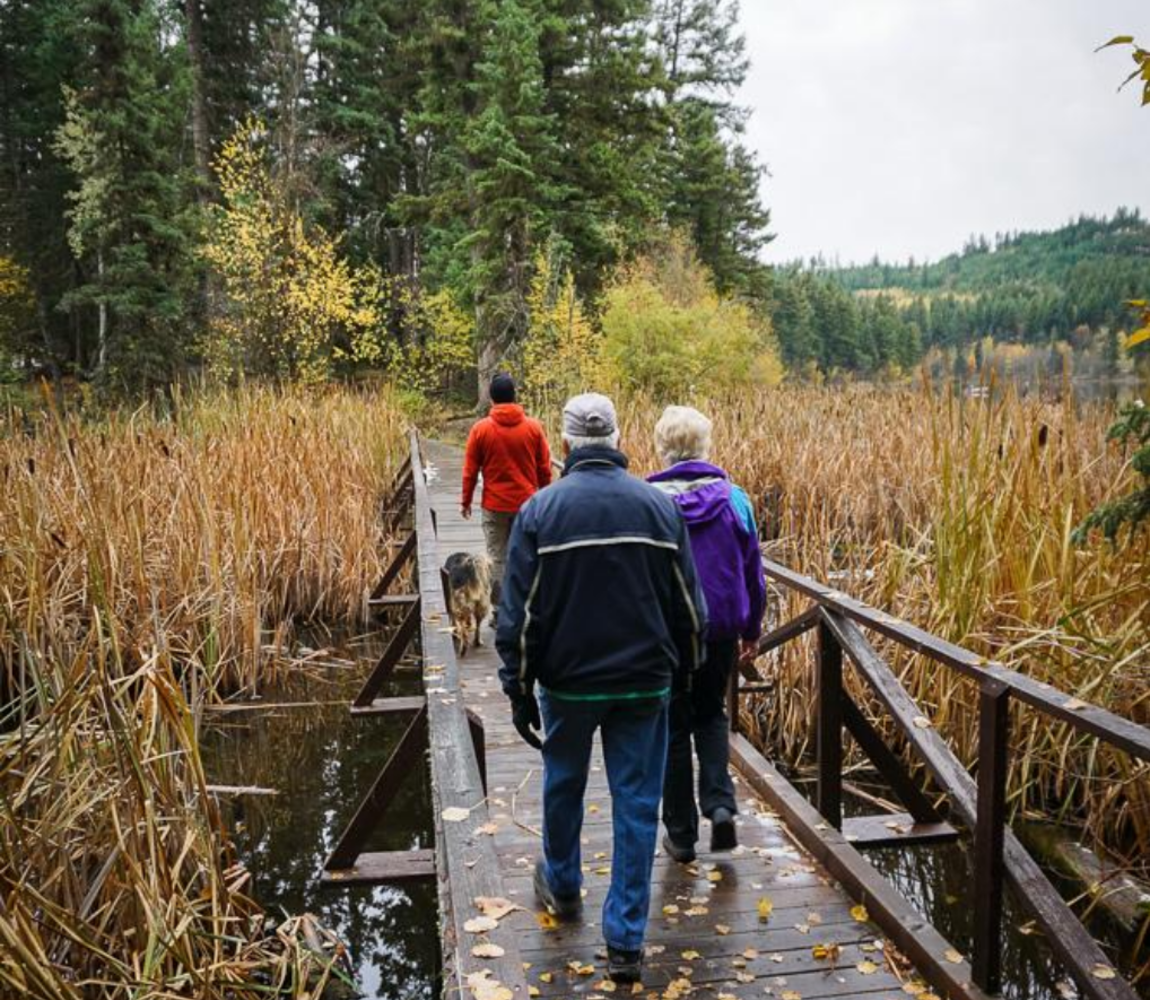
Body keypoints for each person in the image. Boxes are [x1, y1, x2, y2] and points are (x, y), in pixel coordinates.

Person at [495, 392, 707, 983]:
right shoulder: (658, 509)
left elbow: (515, 615)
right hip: (644, 685)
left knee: (563, 784)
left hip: (566, 684)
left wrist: (515, 687)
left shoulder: (540, 512)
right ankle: (625, 943)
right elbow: (690, 608)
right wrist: (685, 672)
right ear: (618, 439)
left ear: (563, 444)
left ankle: (562, 885)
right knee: (637, 805)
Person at [647, 405, 767, 864]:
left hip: (667, 630)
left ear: (663, 448)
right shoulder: (736, 500)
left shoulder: (648, 502)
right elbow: (753, 572)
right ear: (704, 447)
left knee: (673, 725)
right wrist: (752, 627)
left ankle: (680, 835)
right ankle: (718, 804)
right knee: (711, 714)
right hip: (719, 626)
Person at [460, 373, 552, 600]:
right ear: (514, 397)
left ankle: (500, 609)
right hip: (527, 505)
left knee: (496, 558)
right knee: (524, 555)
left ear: (491, 398)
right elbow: (544, 468)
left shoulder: (480, 430)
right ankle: (524, 605)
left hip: (494, 505)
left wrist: (466, 501)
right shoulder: (534, 428)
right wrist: (546, 497)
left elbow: (470, 471)